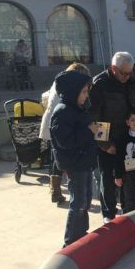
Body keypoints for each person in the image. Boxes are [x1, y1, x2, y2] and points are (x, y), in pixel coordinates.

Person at [89, 52, 135, 223]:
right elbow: (95, 118)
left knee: (129, 175)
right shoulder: (100, 84)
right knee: (107, 178)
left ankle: (129, 210)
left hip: (128, 138)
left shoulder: (132, 82)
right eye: (123, 73)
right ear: (113, 69)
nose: (127, 77)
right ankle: (109, 214)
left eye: (130, 72)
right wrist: (105, 144)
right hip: (109, 139)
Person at [49, 70, 98, 247]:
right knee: (78, 202)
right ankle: (70, 241)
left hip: (84, 160)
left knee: (85, 199)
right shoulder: (62, 112)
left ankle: (81, 233)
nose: (86, 95)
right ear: (72, 91)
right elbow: (65, 141)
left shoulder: (78, 108)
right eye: (84, 92)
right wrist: (88, 131)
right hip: (74, 162)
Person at [40, 63, 91, 204]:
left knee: (55, 157)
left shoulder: (60, 82)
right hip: (62, 124)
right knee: (58, 157)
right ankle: (56, 189)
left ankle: (55, 189)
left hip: (52, 122)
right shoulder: (73, 89)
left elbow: (45, 97)